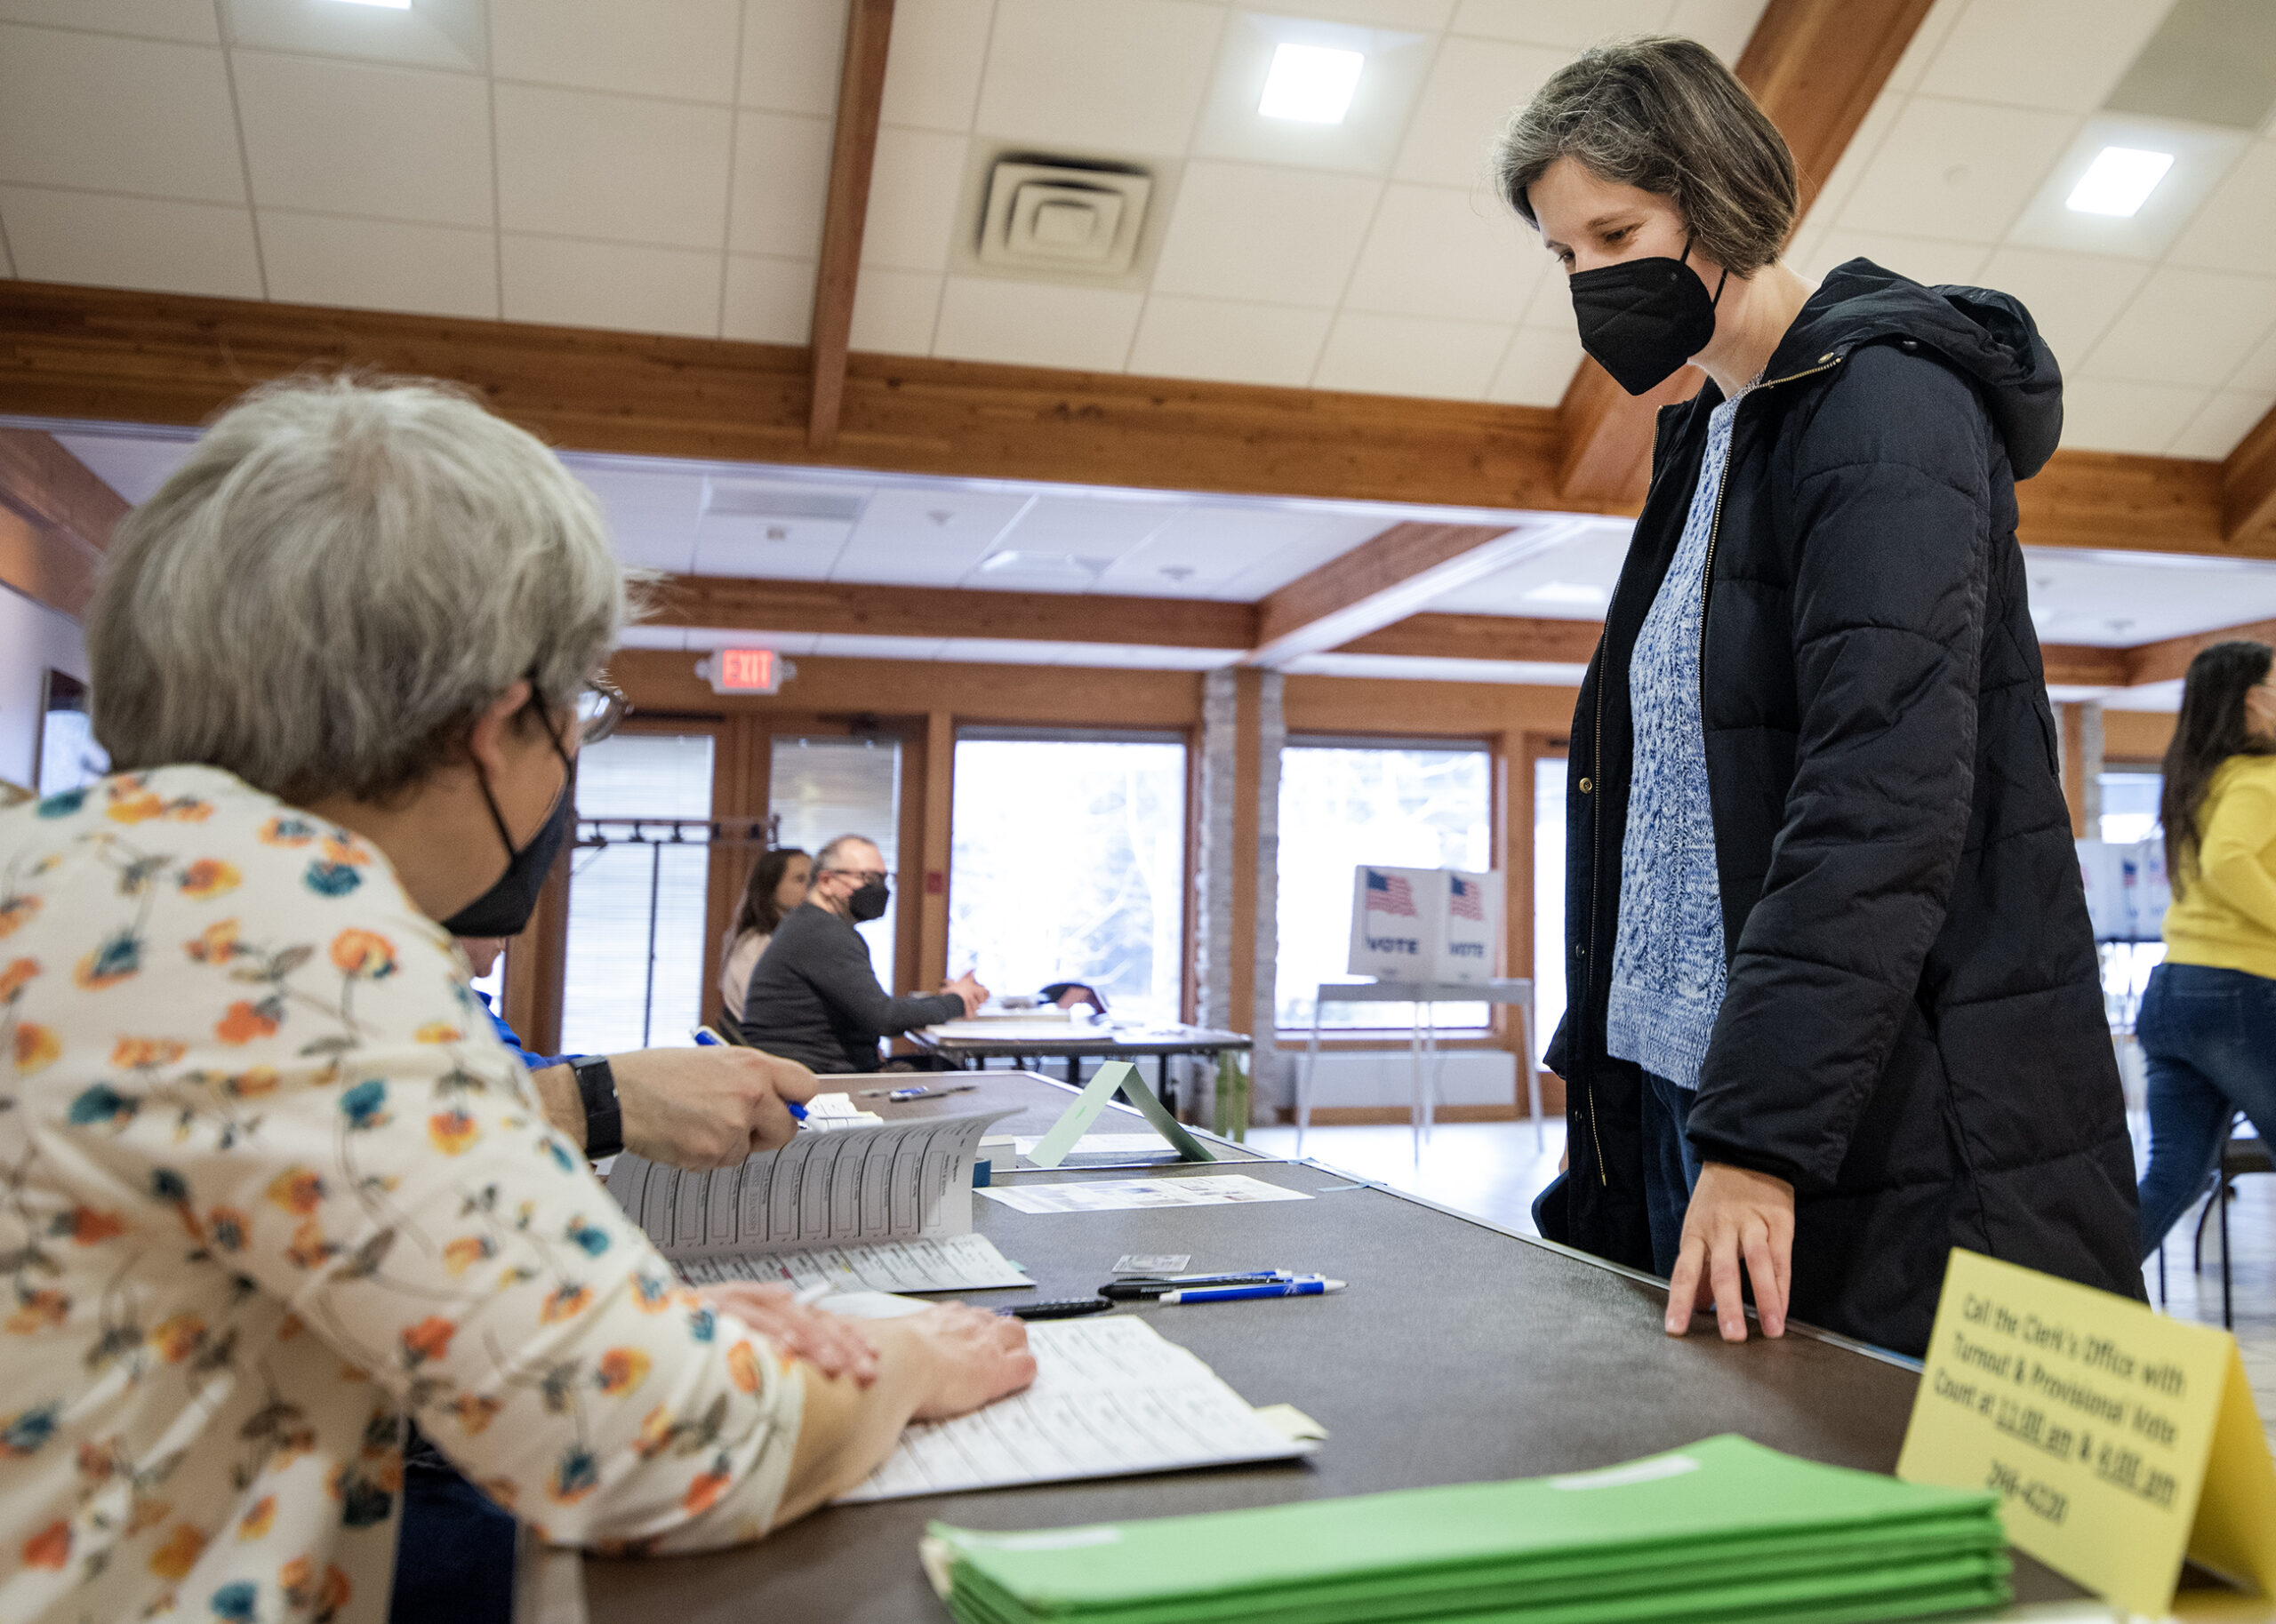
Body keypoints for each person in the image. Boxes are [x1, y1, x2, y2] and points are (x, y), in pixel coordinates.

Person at [0, 375, 1032, 1624]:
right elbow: (661, 1446)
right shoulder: (296, 927)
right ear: (495, 725)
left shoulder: (85, 871)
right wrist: (906, 1356)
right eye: (578, 713)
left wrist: (624, 1313)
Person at [1499, 36, 2137, 1356]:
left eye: (1615, 231)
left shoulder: (1886, 405)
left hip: (1851, 1121)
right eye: (1565, 255)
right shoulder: (1714, 434)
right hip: (1701, 1088)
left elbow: (1878, 797)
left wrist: (1756, 1136)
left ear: (1721, 197)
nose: (1591, 279)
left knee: (1922, 1540)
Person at [2133, 641, 2276, 1260]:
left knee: (2173, 1177)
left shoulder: (2199, 778)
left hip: (2173, 994)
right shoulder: (2262, 777)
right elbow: (2227, 861)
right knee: (2175, 1176)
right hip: (2238, 991)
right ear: (2254, 699)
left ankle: (2065, 1302)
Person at [458, 933, 816, 1170]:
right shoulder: (446, 1005)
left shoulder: (463, 1002)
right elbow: (512, 1080)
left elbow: (521, 1070)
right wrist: (621, 1085)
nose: (508, 937)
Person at [737, 835, 987, 1072]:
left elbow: (871, 1005)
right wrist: (958, 1001)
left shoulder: (809, 924)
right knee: (950, 1075)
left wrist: (941, 1000)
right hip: (817, 1081)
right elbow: (884, 1018)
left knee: (942, 1068)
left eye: (883, 878)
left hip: (810, 1071)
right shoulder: (824, 934)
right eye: (867, 878)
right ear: (826, 882)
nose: (878, 889)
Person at [718, 848, 811, 1024]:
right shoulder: (756, 944)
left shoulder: (797, 939)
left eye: (813, 879)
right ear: (771, 886)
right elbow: (764, 1010)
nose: (811, 887)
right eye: (800, 879)